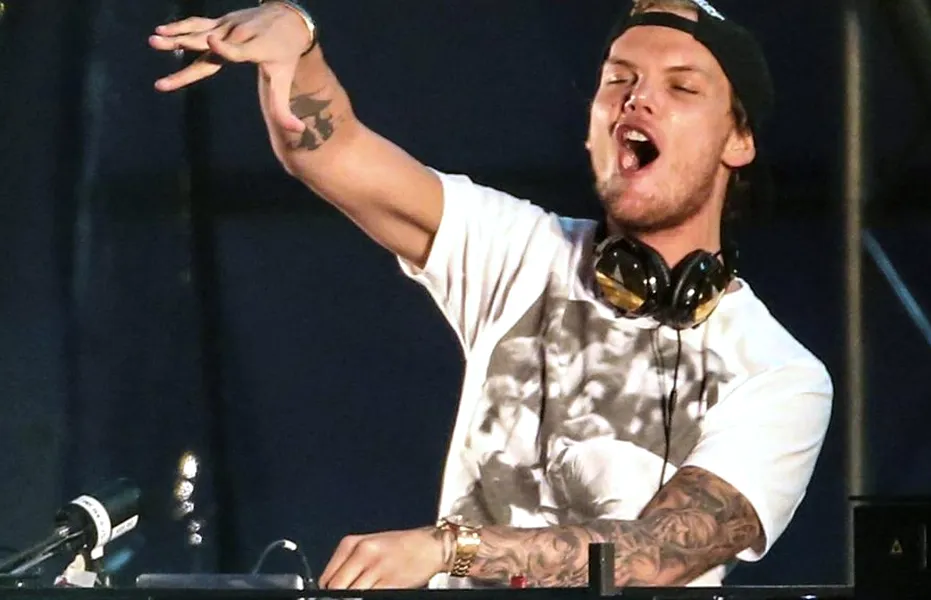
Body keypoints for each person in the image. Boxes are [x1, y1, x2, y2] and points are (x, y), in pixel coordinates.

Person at [149, 0, 833, 590]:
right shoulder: (523, 251)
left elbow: (655, 555)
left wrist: (448, 549)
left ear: (738, 139)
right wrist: (299, 41)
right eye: (617, 80)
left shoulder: (778, 374)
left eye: (681, 87)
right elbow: (330, 150)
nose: (637, 98)